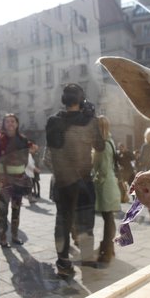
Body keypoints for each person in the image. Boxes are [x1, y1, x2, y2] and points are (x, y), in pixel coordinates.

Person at [45, 83, 104, 276]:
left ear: (64, 100)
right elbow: (100, 146)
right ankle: (86, 259)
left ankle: (63, 263)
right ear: (81, 100)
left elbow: (51, 152)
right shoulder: (89, 121)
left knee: (62, 222)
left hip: (62, 181)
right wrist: (92, 117)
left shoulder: (52, 121)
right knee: (85, 222)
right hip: (83, 181)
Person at [0, 113, 34, 247]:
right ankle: (3, 237)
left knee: (16, 209)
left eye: (13, 121)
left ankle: (15, 236)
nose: (10, 124)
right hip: (4, 179)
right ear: (4, 125)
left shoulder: (23, 140)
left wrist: (33, 149)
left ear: (17, 124)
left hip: (19, 179)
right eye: (7, 122)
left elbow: (27, 154)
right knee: (3, 209)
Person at [93, 116, 121, 264]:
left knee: (108, 218)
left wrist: (94, 181)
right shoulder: (109, 141)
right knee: (109, 218)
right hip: (109, 184)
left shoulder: (103, 144)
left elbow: (102, 171)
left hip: (105, 186)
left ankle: (107, 252)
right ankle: (108, 246)